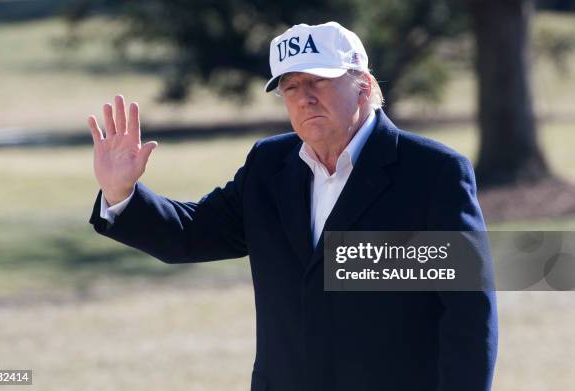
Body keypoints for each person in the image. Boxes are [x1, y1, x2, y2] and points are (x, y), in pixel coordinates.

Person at [88, 22, 498, 391]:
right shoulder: (269, 166)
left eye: (319, 81)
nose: (304, 98)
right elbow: (190, 235)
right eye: (291, 86)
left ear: (365, 85)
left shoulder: (434, 172)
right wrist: (122, 193)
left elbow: (469, 317)